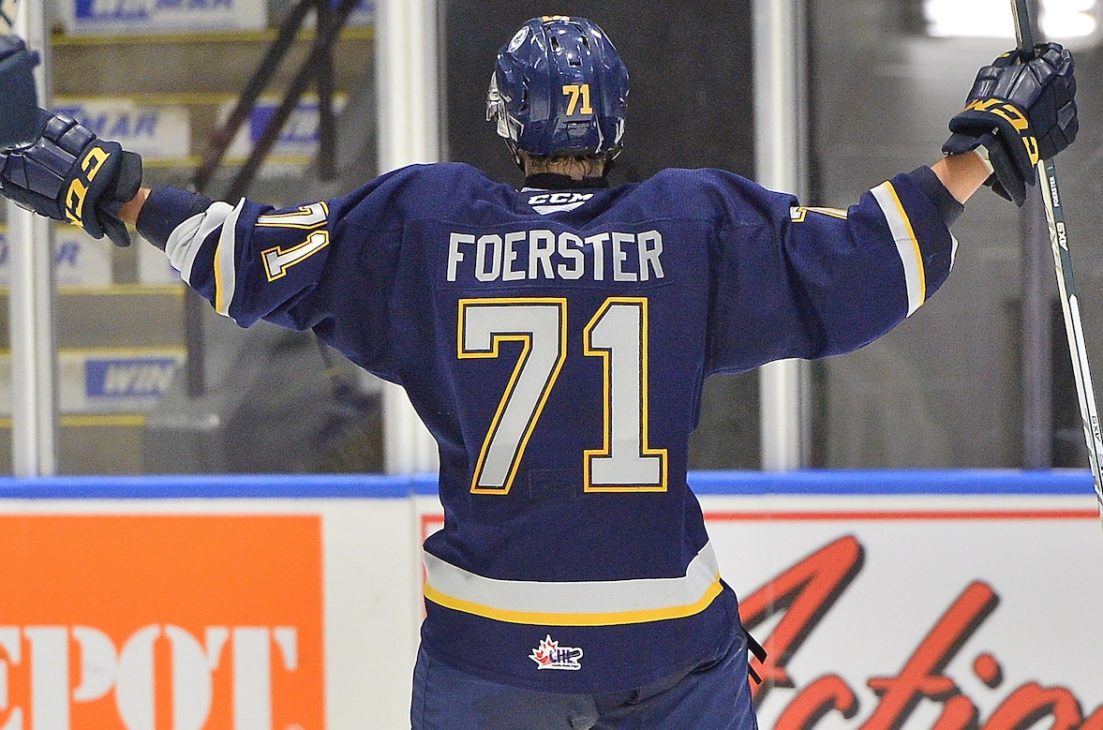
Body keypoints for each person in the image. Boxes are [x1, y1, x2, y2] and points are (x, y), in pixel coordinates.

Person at [0, 16, 1078, 729]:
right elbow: (858, 265)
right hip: (663, 639)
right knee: (700, 646)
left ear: (503, 118)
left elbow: (246, 258)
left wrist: (112, 191)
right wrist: (984, 144)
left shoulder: (423, 223)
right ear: (613, 118)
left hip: (489, 650)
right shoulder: (690, 225)